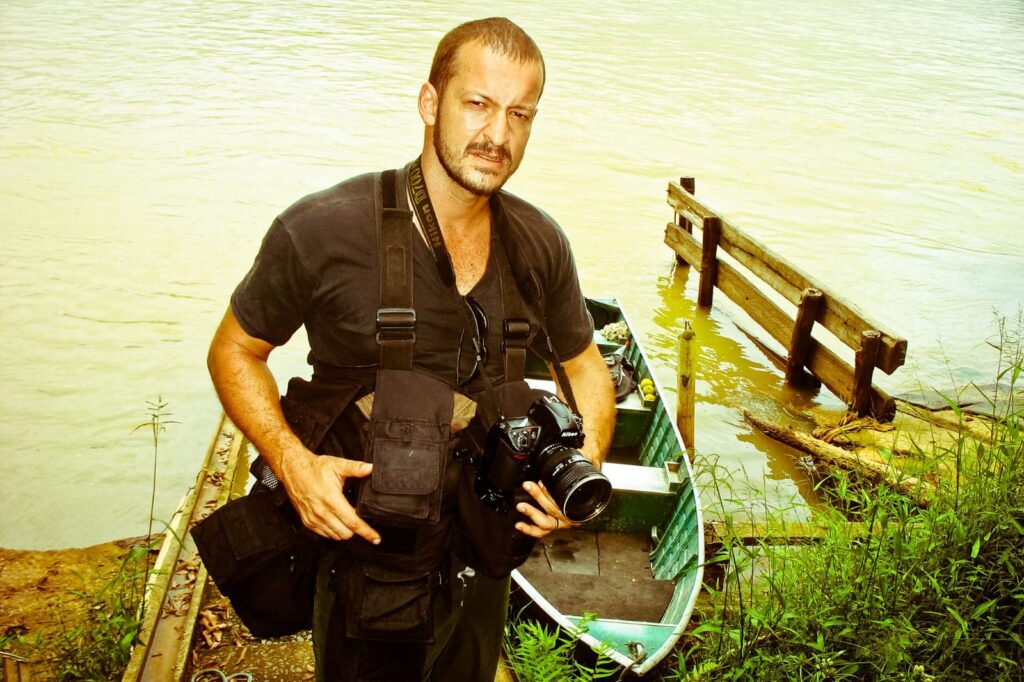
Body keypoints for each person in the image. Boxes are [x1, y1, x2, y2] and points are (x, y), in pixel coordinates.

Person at [207, 17, 614, 682]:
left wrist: (583, 461)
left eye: (520, 113)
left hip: (483, 563)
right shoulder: (323, 229)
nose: (498, 134)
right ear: (431, 103)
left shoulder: (541, 245)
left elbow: (584, 366)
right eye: (477, 104)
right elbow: (235, 350)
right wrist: (293, 460)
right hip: (366, 567)